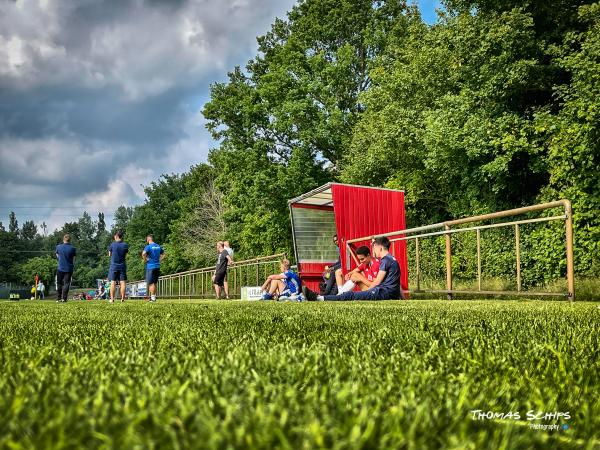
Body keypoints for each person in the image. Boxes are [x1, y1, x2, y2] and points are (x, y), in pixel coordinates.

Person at [303, 236, 402, 301]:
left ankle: (318, 298)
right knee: (352, 293)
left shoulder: (385, 260)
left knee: (351, 295)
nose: (373, 250)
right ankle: (319, 297)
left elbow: (377, 283)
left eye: (374, 247)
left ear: (380, 247)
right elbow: (394, 283)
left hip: (384, 293)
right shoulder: (392, 259)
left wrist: (368, 293)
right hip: (388, 293)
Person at [142, 233, 165, 302]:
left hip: (150, 267)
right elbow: (164, 254)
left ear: (149, 239)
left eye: (147, 239)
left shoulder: (148, 246)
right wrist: (160, 260)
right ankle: (153, 297)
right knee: (154, 283)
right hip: (157, 266)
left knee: (150, 283)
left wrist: (145, 259)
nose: (146, 240)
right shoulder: (158, 246)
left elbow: (143, 253)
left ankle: (152, 298)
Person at [108, 230, 129, 303]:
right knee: (123, 282)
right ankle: (122, 298)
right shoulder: (125, 245)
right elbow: (126, 255)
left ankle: (112, 299)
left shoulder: (112, 245)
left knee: (113, 282)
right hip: (122, 265)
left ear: (116, 236)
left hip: (114, 265)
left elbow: (109, 255)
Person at [56, 234, 77, 303]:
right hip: (69, 268)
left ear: (63, 239)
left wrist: (60, 259)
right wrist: (72, 264)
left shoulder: (58, 247)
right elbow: (74, 259)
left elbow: (57, 255)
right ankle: (64, 299)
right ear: (70, 240)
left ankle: (58, 298)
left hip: (60, 268)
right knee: (66, 283)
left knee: (59, 283)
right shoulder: (73, 248)